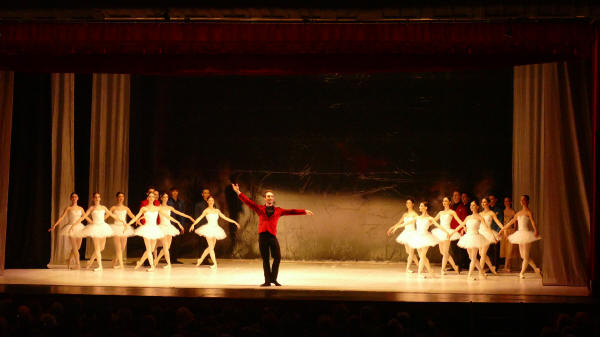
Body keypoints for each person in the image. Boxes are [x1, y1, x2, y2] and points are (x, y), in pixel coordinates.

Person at [232, 184, 313, 286]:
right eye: (268, 196)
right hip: (263, 237)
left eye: (271, 196)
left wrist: (304, 211)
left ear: (273, 198)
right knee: (265, 259)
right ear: (265, 198)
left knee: (277, 257)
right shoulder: (260, 209)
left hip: (272, 236)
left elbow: (291, 211)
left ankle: (273, 279)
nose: (270, 198)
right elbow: (249, 202)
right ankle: (267, 281)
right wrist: (238, 192)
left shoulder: (278, 210)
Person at [127, 193, 176, 271]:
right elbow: (136, 217)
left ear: (154, 198)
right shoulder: (144, 208)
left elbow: (167, 216)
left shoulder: (157, 208)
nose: (151, 198)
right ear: (147, 198)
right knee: (149, 249)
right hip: (146, 228)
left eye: (153, 196)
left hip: (154, 229)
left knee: (152, 249)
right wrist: (128, 224)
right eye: (150, 196)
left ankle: (139, 263)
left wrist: (177, 222)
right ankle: (152, 266)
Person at [75, 192, 122, 271]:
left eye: (98, 197)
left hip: (103, 227)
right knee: (97, 248)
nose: (97, 198)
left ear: (100, 198)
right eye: (95, 197)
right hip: (94, 227)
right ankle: (100, 266)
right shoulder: (91, 208)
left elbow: (111, 214)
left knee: (102, 247)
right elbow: (84, 217)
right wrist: (74, 224)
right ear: (93, 199)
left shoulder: (103, 207)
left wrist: (122, 221)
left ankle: (90, 262)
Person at [189, 196, 240, 269]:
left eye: (212, 200)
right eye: (209, 200)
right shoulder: (206, 210)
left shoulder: (217, 211)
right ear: (207, 201)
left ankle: (200, 259)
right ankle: (215, 264)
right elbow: (199, 218)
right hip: (208, 229)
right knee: (211, 248)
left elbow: (225, 218)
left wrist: (234, 222)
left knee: (211, 247)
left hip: (216, 229)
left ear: (213, 201)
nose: (211, 201)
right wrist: (193, 224)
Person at [498, 195, 542, 279]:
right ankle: (536, 269)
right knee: (523, 256)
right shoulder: (518, 213)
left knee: (525, 256)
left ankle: (522, 273)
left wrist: (536, 230)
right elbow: (510, 223)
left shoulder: (529, 212)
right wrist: (501, 230)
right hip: (519, 234)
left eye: (524, 200)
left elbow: (532, 222)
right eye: (521, 200)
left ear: (527, 201)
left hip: (526, 234)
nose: (523, 201)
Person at [49, 192, 91, 269]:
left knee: (78, 247)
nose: (74, 198)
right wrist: (54, 225)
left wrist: (93, 223)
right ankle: (78, 265)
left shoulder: (81, 208)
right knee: (75, 247)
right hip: (70, 227)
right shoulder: (68, 208)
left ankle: (68, 260)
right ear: (71, 199)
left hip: (79, 227)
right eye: (73, 197)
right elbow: (62, 217)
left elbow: (85, 217)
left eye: (76, 197)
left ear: (78, 198)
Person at [154, 193, 193, 269]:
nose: (165, 198)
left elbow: (179, 213)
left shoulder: (170, 207)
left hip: (169, 227)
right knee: (165, 246)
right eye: (164, 197)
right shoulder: (158, 207)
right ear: (161, 198)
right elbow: (152, 213)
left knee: (167, 247)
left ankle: (156, 260)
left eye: (167, 197)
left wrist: (188, 216)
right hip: (162, 227)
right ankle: (168, 264)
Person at [452, 201, 489, 280]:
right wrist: (452, 232)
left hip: (476, 237)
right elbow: (461, 225)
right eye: (471, 205)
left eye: (474, 205)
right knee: (472, 258)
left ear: (477, 207)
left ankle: (470, 275)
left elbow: (486, 227)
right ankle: (482, 273)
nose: (472, 206)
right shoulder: (468, 217)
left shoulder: (480, 217)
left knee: (473, 257)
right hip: (468, 237)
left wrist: (493, 236)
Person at [409, 201, 447, 278]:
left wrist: (447, 232)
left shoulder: (430, 218)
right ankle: (430, 271)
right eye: (419, 206)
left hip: (426, 237)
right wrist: (395, 227)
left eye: (421, 206)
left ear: (425, 207)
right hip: (418, 237)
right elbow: (406, 223)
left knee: (423, 256)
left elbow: (438, 225)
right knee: (422, 257)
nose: (419, 207)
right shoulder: (417, 217)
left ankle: (419, 273)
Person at [431, 197, 464, 275]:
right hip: (440, 232)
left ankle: (442, 270)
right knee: (442, 251)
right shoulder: (440, 212)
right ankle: (455, 266)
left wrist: (463, 227)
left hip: (447, 232)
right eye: (443, 201)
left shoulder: (452, 212)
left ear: (449, 202)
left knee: (445, 252)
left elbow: (460, 221)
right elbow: (433, 221)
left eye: (446, 201)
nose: (444, 202)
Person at [386, 199, 420, 273]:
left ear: (413, 204)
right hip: (406, 233)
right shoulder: (405, 214)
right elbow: (399, 223)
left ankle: (407, 268)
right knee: (408, 252)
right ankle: (419, 266)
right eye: (407, 203)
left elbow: (420, 221)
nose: (408, 204)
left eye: (410, 203)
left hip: (412, 233)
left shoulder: (415, 214)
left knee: (411, 252)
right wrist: (392, 228)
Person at [108, 192, 136, 269]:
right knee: (118, 248)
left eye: (122, 196)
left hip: (124, 228)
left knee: (122, 247)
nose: (120, 198)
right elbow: (107, 215)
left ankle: (114, 262)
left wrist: (138, 220)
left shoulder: (126, 208)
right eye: (119, 196)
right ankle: (121, 265)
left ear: (123, 198)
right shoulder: (113, 208)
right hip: (116, 227)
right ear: (117, 198)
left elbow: (132, 215)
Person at [479, 198, 505, 275]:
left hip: (488, 233)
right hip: (480, 232)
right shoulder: (480, 214)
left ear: (488, 203)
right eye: (482, 202)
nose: (483, 204)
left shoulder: (491, 213)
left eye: (485, 202)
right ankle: (492, 268)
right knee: (481, 253)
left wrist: (503, 228)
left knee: (483, 253)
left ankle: (481, 272)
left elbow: (498, 222)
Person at [450, 191, 469, 269]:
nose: (455, 197)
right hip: (452, 230)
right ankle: (456, 265)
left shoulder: (463, 207)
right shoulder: (451, 207)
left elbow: (464, 219)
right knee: (453, 248)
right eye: (454, 195)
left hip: (459, 230)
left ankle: (461, 265)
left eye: (456, 195)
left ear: (459, 196)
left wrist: (462, 230)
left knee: (460, 249)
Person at [500, 197, 517, 272]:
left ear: (510, 202)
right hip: (504, 232)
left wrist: (515, 231)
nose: (506, 202)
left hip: (511, 231)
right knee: (505, 248)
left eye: (508, 201)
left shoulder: (513, 212)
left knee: (510, 249)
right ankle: (506, 266)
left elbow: (515, 223)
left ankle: (507, 266)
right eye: (505, 201)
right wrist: (503, 231)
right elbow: (501, 222)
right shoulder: (502, 212)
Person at [488, 194, 503, 266]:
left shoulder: (498, 210)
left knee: (495, 250)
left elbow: (500, 220)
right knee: (489, 250)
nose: (491, 201)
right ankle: (490, 266)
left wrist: (498, 232)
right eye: (490, 199)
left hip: (496, 231)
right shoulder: (488, 210)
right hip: (488, 232)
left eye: (492, 199)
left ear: (495, 200)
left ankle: (495, 266)